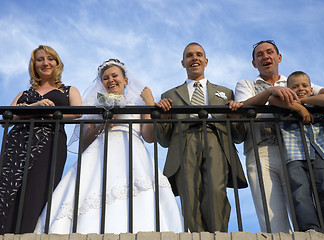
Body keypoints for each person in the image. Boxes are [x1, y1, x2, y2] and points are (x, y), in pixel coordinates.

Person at [34, 59, 183, 234]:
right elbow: (84, 145)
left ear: (125, 80)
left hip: (133, 153)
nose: (110, 80)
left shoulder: (138, 105)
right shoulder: (97, 106)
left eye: (114, 76)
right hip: (99, 152)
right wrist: (101, 126)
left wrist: (150, 105)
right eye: (105, 78)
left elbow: (149, 137)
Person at [234, 40, 324, 233]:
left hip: (293, 149)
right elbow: (243, 107)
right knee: (271, 213)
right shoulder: (246, 84)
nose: (265, 57)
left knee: (302, 199)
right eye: (260, 54)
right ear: (254, 63)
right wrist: (270, 92)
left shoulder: (293, 82)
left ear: (278, 57)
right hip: (261, 152)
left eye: (270, 52)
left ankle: (320, 231)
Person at [155, 42, 248, 232]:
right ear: (183, 63)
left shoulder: (226, 92)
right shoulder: (169, 94)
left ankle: (218, 234)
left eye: (198, 55)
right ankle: (197, 236)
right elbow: (164, 140)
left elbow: (239, 135)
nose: (194, 58)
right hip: (184, 142)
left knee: (216, 191)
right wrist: (163, 117)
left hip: (216, 139)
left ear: (206, 61)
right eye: (189, 56)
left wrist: (237, 116)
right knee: (189, 195)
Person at [0, 45, 82, 234]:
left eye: (50, 58)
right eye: (40, 59)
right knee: (8, 188)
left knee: (40, 189)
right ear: (34, 65)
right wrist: (35, 106)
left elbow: (78, 112)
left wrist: (50, 115)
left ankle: (29, 233)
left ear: (57, 62)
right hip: (18, 143)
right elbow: (7, 119)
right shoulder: (23, 94)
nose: (45, 63)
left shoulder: (68, 91)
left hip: (50, 143)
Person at [268, 71, 324, 232]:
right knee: (300, 191)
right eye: (295, 86)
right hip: (294, 154)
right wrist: (296, 106)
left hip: (318, 151)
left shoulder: (316, 101)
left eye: (304, 86)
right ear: (288, 89)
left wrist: (302, 102)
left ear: (311, 89)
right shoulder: (286, 103)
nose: (300, 88)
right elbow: (271, 98)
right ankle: (309, 227)